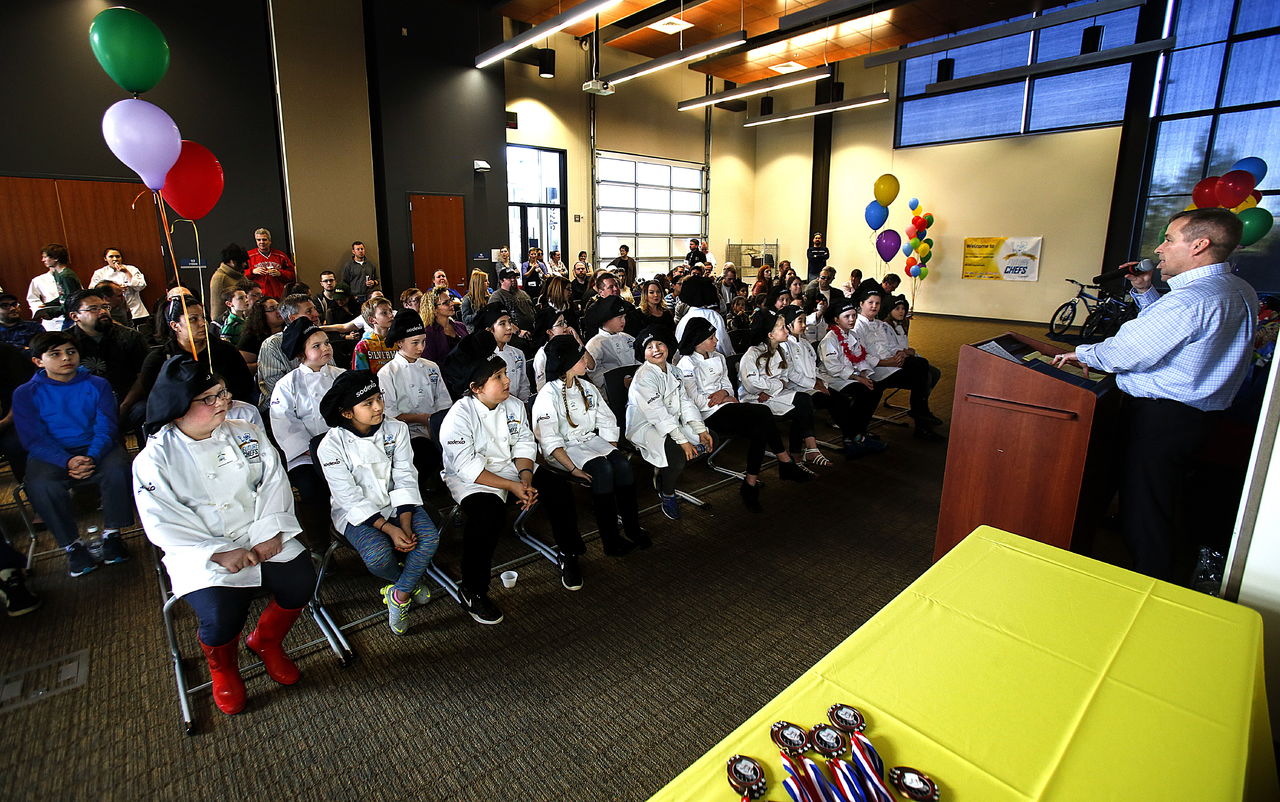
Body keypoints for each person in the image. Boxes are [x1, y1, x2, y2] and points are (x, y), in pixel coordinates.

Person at [1052, 209, 1259, 583]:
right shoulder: (1236, 289)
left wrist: (1080, 354)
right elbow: (1173, 337)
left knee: (1146, 508)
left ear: (1199, 245)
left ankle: (1154, 584)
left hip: (1162, 418)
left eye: (1169, 239)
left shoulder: (1190, 300)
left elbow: (1126, 353)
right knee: (1166, 495)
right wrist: (1145, 291)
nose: (1160, 248)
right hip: (1197, 417)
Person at [133, 356, 315, 715]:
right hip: (202, 549)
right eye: (210, 398)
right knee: (221, 613)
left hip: (262, 531)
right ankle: (223, 668)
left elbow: (273, 480)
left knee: (300, 581)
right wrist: (219, 552)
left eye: (223, 393)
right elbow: (162, 521)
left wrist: (268, 534)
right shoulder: (154, 459)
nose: (224, 402)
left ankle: (265, 641)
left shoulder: (245, 432)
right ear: (177, 409)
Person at [440, 331, 583, 621]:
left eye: (505, 373)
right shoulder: (458, 416)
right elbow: (467, 466)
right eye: (498, 377)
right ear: (476, 388)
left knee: (557, 487)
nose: (507, 381)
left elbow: (524, 443)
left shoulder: (513, 405)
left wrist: (526, 478)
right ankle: (473, 589)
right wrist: (513, 485)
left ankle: (569, 553)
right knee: (486, 516)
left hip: (513, 469)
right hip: (473, 479)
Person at [317, 371, 440, 635]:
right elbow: (348, 496)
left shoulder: (396, 429)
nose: (379, 407)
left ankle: (399, 593)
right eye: (368, 403)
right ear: (347, 413)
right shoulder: (331, 446)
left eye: (379, 398)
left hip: (399, 504)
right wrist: (389, 529)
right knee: (377, 556)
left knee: (429, 538)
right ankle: (407, 581)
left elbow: (405, 475)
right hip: (357, 513)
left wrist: (404, 522)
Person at [14, 332, 135, 576]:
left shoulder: (97, 384)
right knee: (41, 484)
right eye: (55, 354)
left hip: (96, 446)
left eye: (71, 352)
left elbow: (107, 426)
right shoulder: (26, 393)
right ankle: (72, 545)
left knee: (119, 468)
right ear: (38, 361)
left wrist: (91, 456)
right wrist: (66, 460)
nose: (66, 358)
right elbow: (33, 438)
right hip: (52, 453)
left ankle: (112, 534)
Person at [676, 318, 811, 511]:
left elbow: (727, 386)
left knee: (760, 427)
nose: (716, 341)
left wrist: (723, 394)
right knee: (762, 415)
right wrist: (723, 398)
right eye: (711, 337)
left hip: (725, 406)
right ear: (698, 341)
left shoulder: (719, 357)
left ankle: (751, 483)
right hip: (706, 414)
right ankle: (783, 464)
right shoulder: (686, 364)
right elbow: (694, 400)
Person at [533, 334, 649, 560]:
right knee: (603, 469)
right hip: (564, 450)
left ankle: (633, 528)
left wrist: (611, 450)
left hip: (590, 442)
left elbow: (606, 420)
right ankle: (611, 540)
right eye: (580, 358)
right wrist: (573, 469)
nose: (586, 361)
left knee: (622, 466)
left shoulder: (586, 386)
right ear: (566, 364)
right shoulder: (548, 394)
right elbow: (549, 440)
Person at [124, 297, 259, 430]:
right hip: (181, 421)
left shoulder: (226, 351)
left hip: (226, 411)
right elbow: (158, 402)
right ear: (175, 325)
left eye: (203, 317)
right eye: (193, 319)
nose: (202, 323)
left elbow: (245, 387)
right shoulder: (158, 360)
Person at [269, 318, 344, 543]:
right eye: (316, 346)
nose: (325, 348)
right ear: (302, 354)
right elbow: (285, 424)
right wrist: (312, 450)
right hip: (305, 456)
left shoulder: (341, 376)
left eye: (327, 343)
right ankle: (319, 543)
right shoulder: (287, 384)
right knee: (310, 489)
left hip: (344, 448)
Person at [626, 326, 710, 520]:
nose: (656, 349)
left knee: (709, 437)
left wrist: (699, 428)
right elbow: (657, 414)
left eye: (660, 343)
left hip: (671, 421)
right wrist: (682, 440)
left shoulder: (675, 370)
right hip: (645, 426)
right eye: (649, 347)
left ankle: (664, 470)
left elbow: (685, 402)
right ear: (643, 354)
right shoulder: (643, 378)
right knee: (677, 453)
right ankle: (667, 492)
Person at [739, 310, 828, 468]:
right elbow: (752, 384)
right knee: (801, 407)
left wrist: (771, 386)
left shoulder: (780, 350)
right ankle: (801, 453)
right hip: (755, 398)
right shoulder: (752, 353)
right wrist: (770, 386)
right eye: (782, 328)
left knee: (804, 401)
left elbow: (785, 378)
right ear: (770, 335)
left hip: (773, 395)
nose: (787, 331)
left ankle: (803, 451)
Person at [853, 290, 945, 441]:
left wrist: (899, 353)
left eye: (877, 303)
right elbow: (861, 355)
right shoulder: (857, 326)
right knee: (920, 373)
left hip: (891, 365)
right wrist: (887, 362)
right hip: (875, 369)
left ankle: (921, 420)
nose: (874, 306)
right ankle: (921, 422)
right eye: (870, 303)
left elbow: (889, 345)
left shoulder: (879, 324)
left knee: (921, 369)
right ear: (861, 304)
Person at [377, 310, 452, 484]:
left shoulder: (431, 367)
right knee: (427, 456)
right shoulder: (387, 373)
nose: (421, 348)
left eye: (424, 342)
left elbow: (443, 402)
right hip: (407, 434)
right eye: (415, 343)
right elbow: (390, 415)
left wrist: (437, 422)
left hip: (435, 428)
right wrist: (422, 419)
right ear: (399, 343)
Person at [818, 299, 889, 458]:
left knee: (875, 389)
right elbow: (833, 368)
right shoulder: (829, 340)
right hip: (834, 378)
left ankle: (858, 432)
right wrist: (857, 378)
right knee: (862, 392)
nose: (852, 320)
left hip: (853, 376)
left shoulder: (854, 335)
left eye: (853, 316)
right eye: (847, 316)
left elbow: (860, 357)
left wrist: (864, 373)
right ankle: (854, 437)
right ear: (836, 319)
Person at [63, 288, 149, 407]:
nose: (103, 311)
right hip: (81, 403)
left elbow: (143, 376)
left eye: (105, 307)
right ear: (75, 316)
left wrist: (124, 406)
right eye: (93, 309)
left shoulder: (131, 337)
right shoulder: (64, 342)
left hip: (127, 401)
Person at [256, 293, 322, 400]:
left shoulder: (320, 339)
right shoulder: (272, 344)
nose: (316, 314)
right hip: (285, 405)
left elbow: (330, 371)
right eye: (309, 311)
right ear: (292, 318)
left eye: (314, 309)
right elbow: (274, 386)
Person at [473, 304, 531, 403]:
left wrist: (524, 405)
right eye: (502, 324)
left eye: (510, 322)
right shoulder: (480, 357)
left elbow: (523, 385)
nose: (509, 327)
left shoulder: (518, 354)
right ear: (489, 330)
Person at [675, 276, 735, 359]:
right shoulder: (713, 316)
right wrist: (732, 358)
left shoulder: (684, 320)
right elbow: (722, 343)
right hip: (712, 363)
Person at [28, 243, 83, 331]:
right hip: (66, 314)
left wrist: (52, 312)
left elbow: (71, 301)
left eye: (45, 257)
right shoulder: (58, 274)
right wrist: (46, 305)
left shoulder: (66, 275)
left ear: (56, 258)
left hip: (72, 316)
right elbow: (63, 296)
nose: (43, 260)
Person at [89, 248, 149, 328]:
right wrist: (116, 289)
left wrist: (126, 272)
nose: (115, 259)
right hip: (114, 313)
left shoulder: (131, 269)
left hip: (136, 311)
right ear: (105, 259)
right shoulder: (100, 273)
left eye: (117, 256)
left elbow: (141, 285)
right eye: (111, 257)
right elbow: (93, 292)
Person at [352, 295, 398, 373]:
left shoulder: (399, 341)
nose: (391, 315)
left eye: (390, 311)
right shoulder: (363, 346)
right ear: (372, 320)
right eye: (384, 313)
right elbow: (359, 376)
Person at [246, 228, 296, 300]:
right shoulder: (249, 256)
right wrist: (253, 271)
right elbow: (241, 276)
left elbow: (292, 275)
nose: (261, 242)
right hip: (257, 297)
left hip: (278, 296)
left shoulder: (280, 255)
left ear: (270, 241)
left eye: (264, 239)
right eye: (258, 240)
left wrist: (280, 273)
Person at [236, 297, 284, 369]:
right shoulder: (252, 337)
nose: (278, 311)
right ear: (261, 315)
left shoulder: (290, 329)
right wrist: (265, 365)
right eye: (272, 309)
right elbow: (241, 366)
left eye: (279, 307)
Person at [422, 287, 468, 364]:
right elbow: (430, 364)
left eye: (450, 300)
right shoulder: (429, 333)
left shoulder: (460, 326)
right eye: (446, 303)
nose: (452, 303)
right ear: (434, 309)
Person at [489, 267, 536, 336]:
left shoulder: (523, 293)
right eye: (509, 278)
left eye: (514, 277)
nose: (513, 280)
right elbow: (497, 319)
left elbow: (532, 311)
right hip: (511, 335)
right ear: (501, 281)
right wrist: (518, 331)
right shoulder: (497, 296)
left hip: (530, 332)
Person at [209, 243, 250, 316]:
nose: (245, 264)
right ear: (232, 261)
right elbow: (217, 308)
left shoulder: (240, 275)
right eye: (242, 261)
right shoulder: (220, 279)